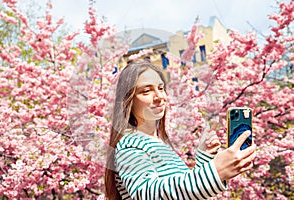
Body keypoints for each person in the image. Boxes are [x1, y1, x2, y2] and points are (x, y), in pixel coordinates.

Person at [104, 60, 256, 200]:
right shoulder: (130, 145)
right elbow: (148, 193)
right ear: (127, 100)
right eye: (146, 91)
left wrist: (204, 157)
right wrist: (215, 171)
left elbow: (182, 191)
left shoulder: (159, 143)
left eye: (161, 88)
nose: (159, 96)